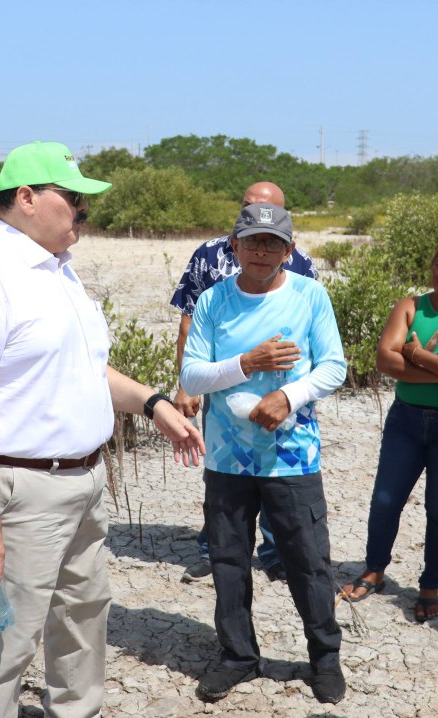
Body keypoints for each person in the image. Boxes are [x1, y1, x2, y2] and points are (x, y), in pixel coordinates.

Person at [0, 140, 203, 718]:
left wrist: (152, 403)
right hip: (16, 492)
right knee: (5, 640)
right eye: (73, 197)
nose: (84, 210)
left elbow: (85, 367)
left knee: (83, 618)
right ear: (26, 198)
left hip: (84, 481)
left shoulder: (58, 270)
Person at [181, 202, 347, 705]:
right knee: (229, 560)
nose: (261, 250)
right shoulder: (213, 301)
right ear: (234, 245)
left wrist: (289, 397)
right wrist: (247, 363)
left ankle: (325, 658)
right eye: (252, 240)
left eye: (272, 242)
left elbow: (333, 367)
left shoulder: (309, 295)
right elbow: (192, 376)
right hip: (226, 460)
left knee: (308, 561)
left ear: (289, 250)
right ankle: (238, 656)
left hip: (293, 458)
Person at [342, 234, 438, 622]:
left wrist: (415, 355)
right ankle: (374, 570)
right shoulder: (410, 307)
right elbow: (385, 360)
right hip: (406, 421)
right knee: (385, 500)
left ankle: (430, 585)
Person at [170, 180, 318, 584]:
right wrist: (186, 385)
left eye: (267, 208)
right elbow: (188, 320)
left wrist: (297, 394)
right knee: (222, 473)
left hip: (282, 395)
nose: (253, 214)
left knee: (276, 471)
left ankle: (273, 552)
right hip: (223, 390)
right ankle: (213, 549)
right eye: (246, 205)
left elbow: (313, 335)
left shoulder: (301, 263)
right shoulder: (209, 254)